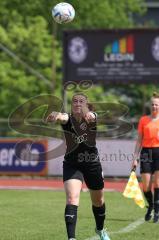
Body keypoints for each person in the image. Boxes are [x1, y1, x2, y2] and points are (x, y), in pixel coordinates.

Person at [46, 93, 111, 240]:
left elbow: (93, 116)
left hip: (92, 163)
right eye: (75, 101)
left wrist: (91, 115)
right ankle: (71, 238)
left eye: (81, 102)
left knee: (98, 201)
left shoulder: (91, 117)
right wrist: (55, 115)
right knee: (72, 199)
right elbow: (62, 116)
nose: (77, 104)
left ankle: (100, 229)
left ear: (86, 105)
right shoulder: (67, 118)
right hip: (72, 163)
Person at [132, 92, 159, 223]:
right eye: (153, 104)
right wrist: (135, 157)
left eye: (157, 105)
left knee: (157, 183)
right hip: (146, 152)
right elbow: (139, 140)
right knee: (146, 186)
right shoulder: (143, 120)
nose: (154, 107)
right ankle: (151, 206)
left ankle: (157, 211)